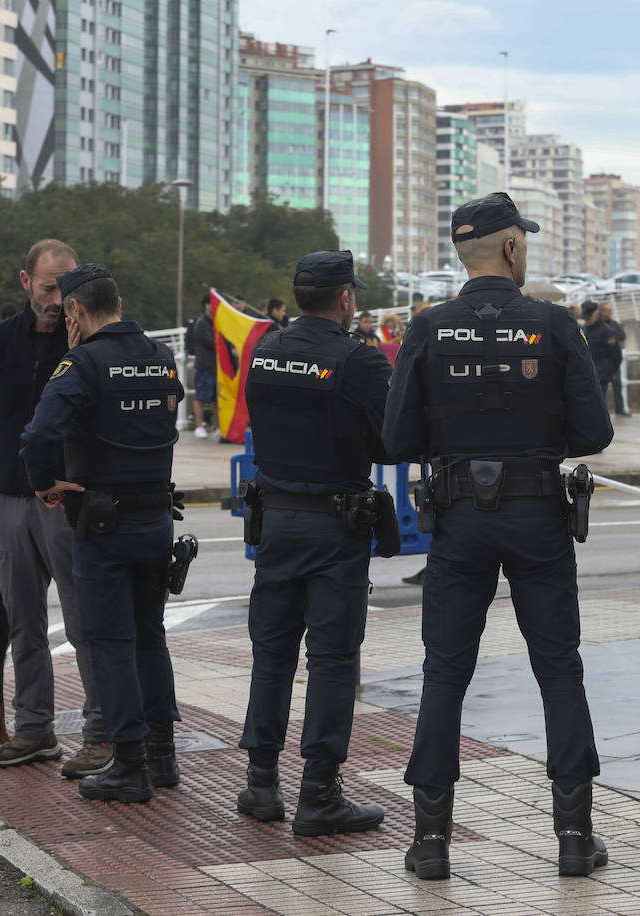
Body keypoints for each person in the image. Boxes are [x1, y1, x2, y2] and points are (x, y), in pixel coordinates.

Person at [383, 192, 614, 879]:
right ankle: (574, 839)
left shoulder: (428, 328)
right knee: (559, 669)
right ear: (511, 247)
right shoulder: (551, 323)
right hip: (538, 516)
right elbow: (594, 434)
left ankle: (430, 846)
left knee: (445, 674)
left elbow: (396, 439)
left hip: (459, 521)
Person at [236, 250, 394, 836]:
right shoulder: (359, 360)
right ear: (346, 298)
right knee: (331, 659)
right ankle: (320, 792)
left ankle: (260, 784)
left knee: (272, 653)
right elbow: (393, 441)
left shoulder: (267, 350)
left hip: (276, 520)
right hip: (334, 525)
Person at [20, 263, 184, 803]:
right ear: (119, 301)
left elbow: (43, 432)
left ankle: (130, 764)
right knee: (150, 635)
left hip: (103, 522)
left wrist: (46, 483)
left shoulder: (82, 362)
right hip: (157, 518)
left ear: (75, 310)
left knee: (111, 642)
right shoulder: (161, 356)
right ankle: (163, 756)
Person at [0, 239, 110, 776]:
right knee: (22, 622)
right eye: (49, 286)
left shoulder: (90, 343)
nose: (59, 296)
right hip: (9, 496)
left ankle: (100, 732)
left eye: (68, 285)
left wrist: (82, 346)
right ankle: (34, 730)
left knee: (84, 620)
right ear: (25, 282)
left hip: (64, 498)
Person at [584, 300, 626, 416]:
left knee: (598, 403)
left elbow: (616, 354)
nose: (586, 320)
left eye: (589, 317)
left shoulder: (607, 331)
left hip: (602, 372)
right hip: (588, 373)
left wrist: (612, 370)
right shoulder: (585, 329)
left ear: (596, 314)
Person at [187, 293, 217, 438]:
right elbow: (210, 342)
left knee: (216, 398)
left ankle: (217, 427)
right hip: (205, 365)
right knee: (201, 397)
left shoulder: (216, 321)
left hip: (216, 366)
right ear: (207, 305)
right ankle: (199, 427)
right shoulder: (201, 323)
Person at [600, 303, 631, 416]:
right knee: (601, 387)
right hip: (602, 361)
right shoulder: (599, 324)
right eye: (608, 310)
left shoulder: (614, 324)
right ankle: (601, 411)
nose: (611, 312)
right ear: (602, 312)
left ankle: (620, 408)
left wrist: (612, 336)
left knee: (617, 384)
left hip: (614, 360)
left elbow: (622, 335)